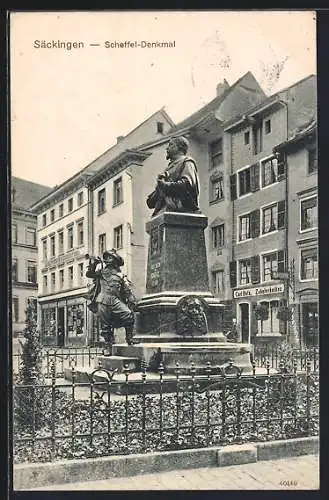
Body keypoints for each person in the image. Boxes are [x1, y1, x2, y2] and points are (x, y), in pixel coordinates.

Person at [85, 249, 136, 349]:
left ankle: (129, 338)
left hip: (115, 300)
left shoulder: (120, 275)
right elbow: (89, 274)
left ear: (115, 261)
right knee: (105, 325)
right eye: (107, 257)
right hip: (102, 300)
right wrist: (93, 264)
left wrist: (132, 300)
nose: (108, 259)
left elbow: (126, 290)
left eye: (110, 258)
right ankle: (107, 346)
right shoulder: (102, 272)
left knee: (128, 315)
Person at [146, 136, 200, 217]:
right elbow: (151, 202)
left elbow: (186, 185)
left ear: (179, 147)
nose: (167, 148)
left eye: (171, 145)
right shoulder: (168, 168)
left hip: (180, 211)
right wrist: (156, 191)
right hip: (164, 212)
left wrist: (164, 185)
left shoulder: (187, 162)